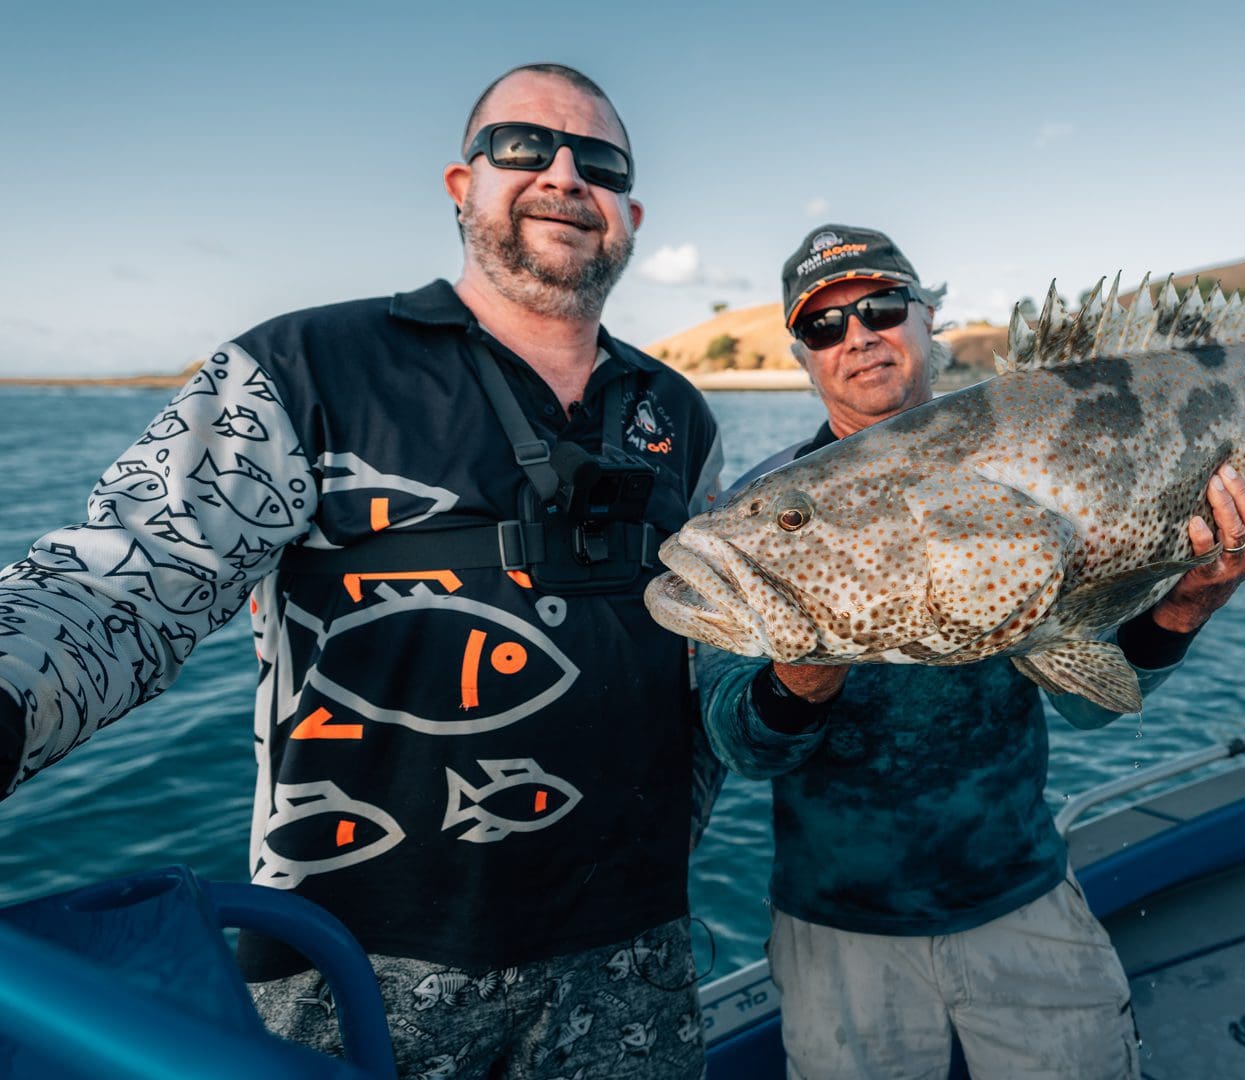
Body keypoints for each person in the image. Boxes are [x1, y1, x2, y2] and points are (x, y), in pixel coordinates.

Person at [0, 64, 724, 1079]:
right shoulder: (304, 366)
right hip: (352, 962)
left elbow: (712, 654)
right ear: (459, 185)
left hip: (630, 956)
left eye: (598, 162)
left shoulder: (679, 416)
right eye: (521, 147)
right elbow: (132, 572)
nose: (563, 173)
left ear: (631, 211)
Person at [697, 225, 1245, 1080]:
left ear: (927, 318)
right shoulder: (762, 512)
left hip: (1021, 897)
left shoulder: (1045, 449)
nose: (858, 335)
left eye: (881, 307)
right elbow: (743, 745)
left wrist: (1194, 596)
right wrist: (811, 643)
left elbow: (1092, 701)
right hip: (838, 929)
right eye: (825, 326)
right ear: (804, 354)